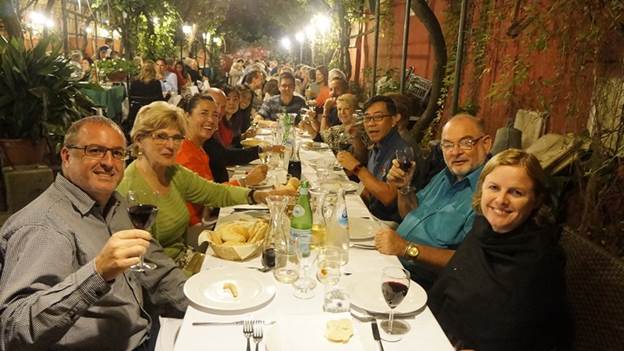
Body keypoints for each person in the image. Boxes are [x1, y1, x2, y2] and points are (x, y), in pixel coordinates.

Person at [0, 116, 188, 350]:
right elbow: (14, 328)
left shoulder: (115, 206)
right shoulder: (43, 226)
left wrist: (210, 304)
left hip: (149, 334)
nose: (109, 162)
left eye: (117, 153)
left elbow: (158, 272)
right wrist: (98, 273)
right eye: (95, 150)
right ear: (66, 156)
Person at [117, 102, 290, 268]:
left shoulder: (173, 172)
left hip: (188, 258)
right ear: (139, 139)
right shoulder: (128, 189)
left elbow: (215, 192)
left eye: (177, 137)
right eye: (161, 136)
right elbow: (140, 263)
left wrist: (257, 196)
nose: (170, 145)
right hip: (165, 277)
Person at [428, 149, 568, 351]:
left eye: (516, 192)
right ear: (481, 189)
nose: (501, 200)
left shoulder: (541, 261)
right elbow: (447, 292)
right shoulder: (481, 231)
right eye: (494, 187)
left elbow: (539, 337)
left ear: (536, 200)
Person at [375, 113, 493, 289]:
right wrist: (404, 188)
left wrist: (407, 249)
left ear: (486, 144)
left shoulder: (490, 192)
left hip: (422, 284)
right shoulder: (444, 175)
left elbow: (470, 262)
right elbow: (409, 213)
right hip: (392, 262)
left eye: (466, 142)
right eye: (448, 145)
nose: (455, 152)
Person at [176, 95, 268, 225]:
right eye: (204, 113)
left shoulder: (198, 146)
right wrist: (246, 181)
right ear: (187, 116)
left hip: (209, 214)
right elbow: (210, 196)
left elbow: (211, 190)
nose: (211, 120)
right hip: (197, 227)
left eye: (215, 115)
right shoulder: (184, 153)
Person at [336, 95, 409, 223]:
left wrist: (357, 168)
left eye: (378, 117)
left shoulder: (403, 151)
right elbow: (369, 190)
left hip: (388, 225)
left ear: (394, 120)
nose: (371, 123)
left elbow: (388, 198)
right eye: (367, 118)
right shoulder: (376, 146)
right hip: (369, 215)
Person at [127, 60, 166, 133]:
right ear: (154, 70)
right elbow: (160, 100)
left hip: (136, 112)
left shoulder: (134, 82)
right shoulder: (156, 83)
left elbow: (130, 97)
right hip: (152, 114)